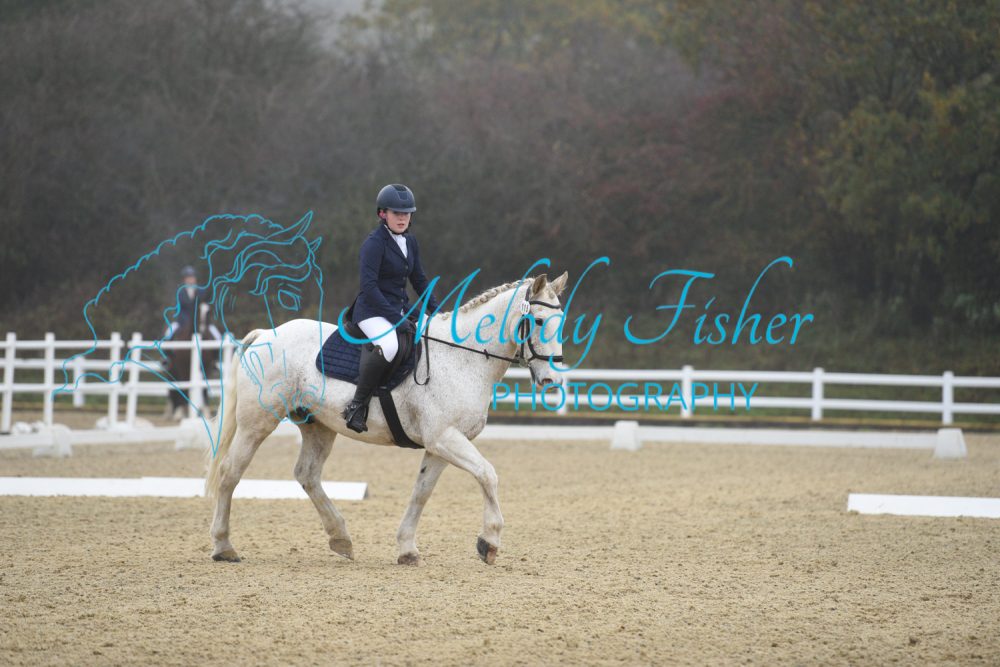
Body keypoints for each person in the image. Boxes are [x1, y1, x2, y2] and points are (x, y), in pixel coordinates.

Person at [341, 184, 440, 433]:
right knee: (389, 345)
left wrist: (438, 312)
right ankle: (357, 406)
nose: (402, 218)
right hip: (371, 310)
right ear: (382, 213)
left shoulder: (410, 242)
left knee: (435, 332)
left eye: (406, 213)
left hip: (399, 307)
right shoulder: (374, 244)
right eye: (397, 213)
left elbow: (419, 280)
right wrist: (397, 319)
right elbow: (369, 288)